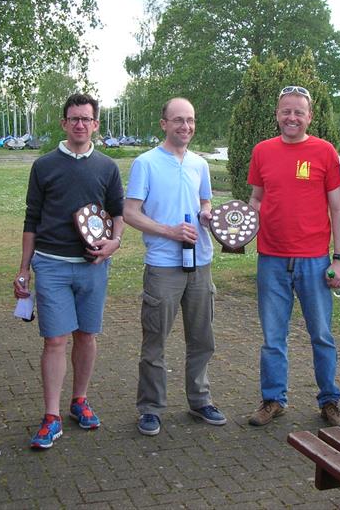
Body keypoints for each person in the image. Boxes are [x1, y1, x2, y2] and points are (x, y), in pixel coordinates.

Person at [14, 93, 125, 449]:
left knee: (86, 337)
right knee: (55, 340)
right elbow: (32, 218)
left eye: (86, 119)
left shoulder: (107, 167)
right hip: (51, 265)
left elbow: (117, 214)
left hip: (93, 266)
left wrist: (115, 243)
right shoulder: (44, 165)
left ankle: (79, 401)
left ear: (95, 125)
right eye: (73, 119)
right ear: (64, 124)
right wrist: (23, 269)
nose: (80, 124)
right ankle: (51, 416)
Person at [247, 85, 340, 428]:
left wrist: (339, 257)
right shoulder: (262, 151)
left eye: (298, 112)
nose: (292, 117)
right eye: (286, 111)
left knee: (321, 334)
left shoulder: (325, 152)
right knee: (273, 336)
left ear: (309, 116)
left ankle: (329, 400)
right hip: (271, 258)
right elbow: (256, 200)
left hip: (314, 259)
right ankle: (274, 399)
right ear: (277, 115)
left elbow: (337, 207)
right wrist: (241, 230)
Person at [123, 97, 226, 437]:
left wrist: (207, 213)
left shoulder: (199, 164)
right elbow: (131, 212)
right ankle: (150, 408)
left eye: (191, 120)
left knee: (202, 338)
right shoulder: (146, 163)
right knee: (155, 341)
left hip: (200, 262)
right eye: (178, 120)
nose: (186, 126)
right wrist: (168, 230)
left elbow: (205, 200)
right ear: (163, 123)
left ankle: (200, 400)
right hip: (163, 265)